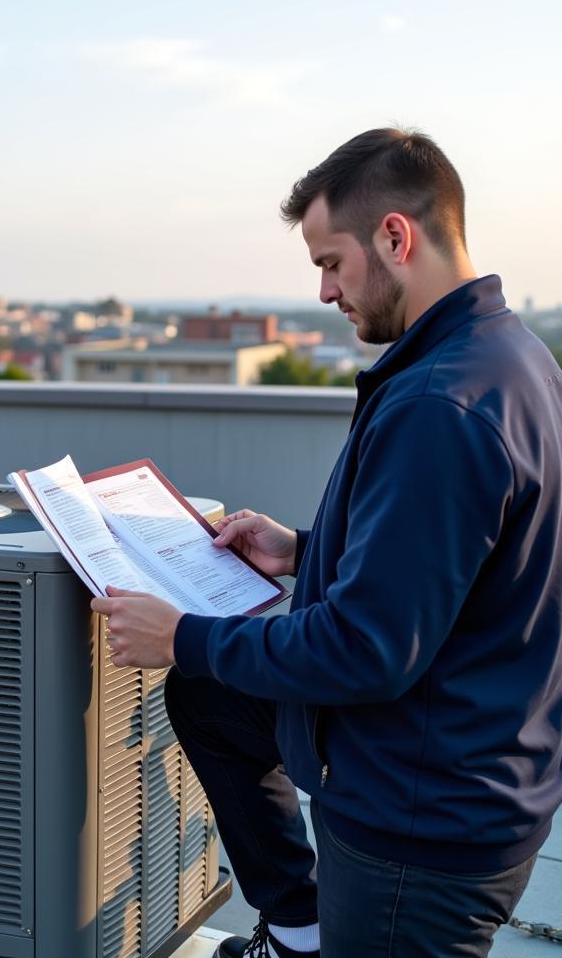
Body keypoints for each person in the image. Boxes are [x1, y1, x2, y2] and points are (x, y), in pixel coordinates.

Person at [91, 128, 562, 958]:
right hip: (467, 754)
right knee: (213, 702)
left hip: (419, 822)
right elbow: (464, 557)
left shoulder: (437, 406)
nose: (323, 290)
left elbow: (364, 651)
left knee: (199, 672)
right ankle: (299, 930)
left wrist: (183, 636)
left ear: (394, 236)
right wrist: (301, 550)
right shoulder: (510, 356)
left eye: (332, 262)